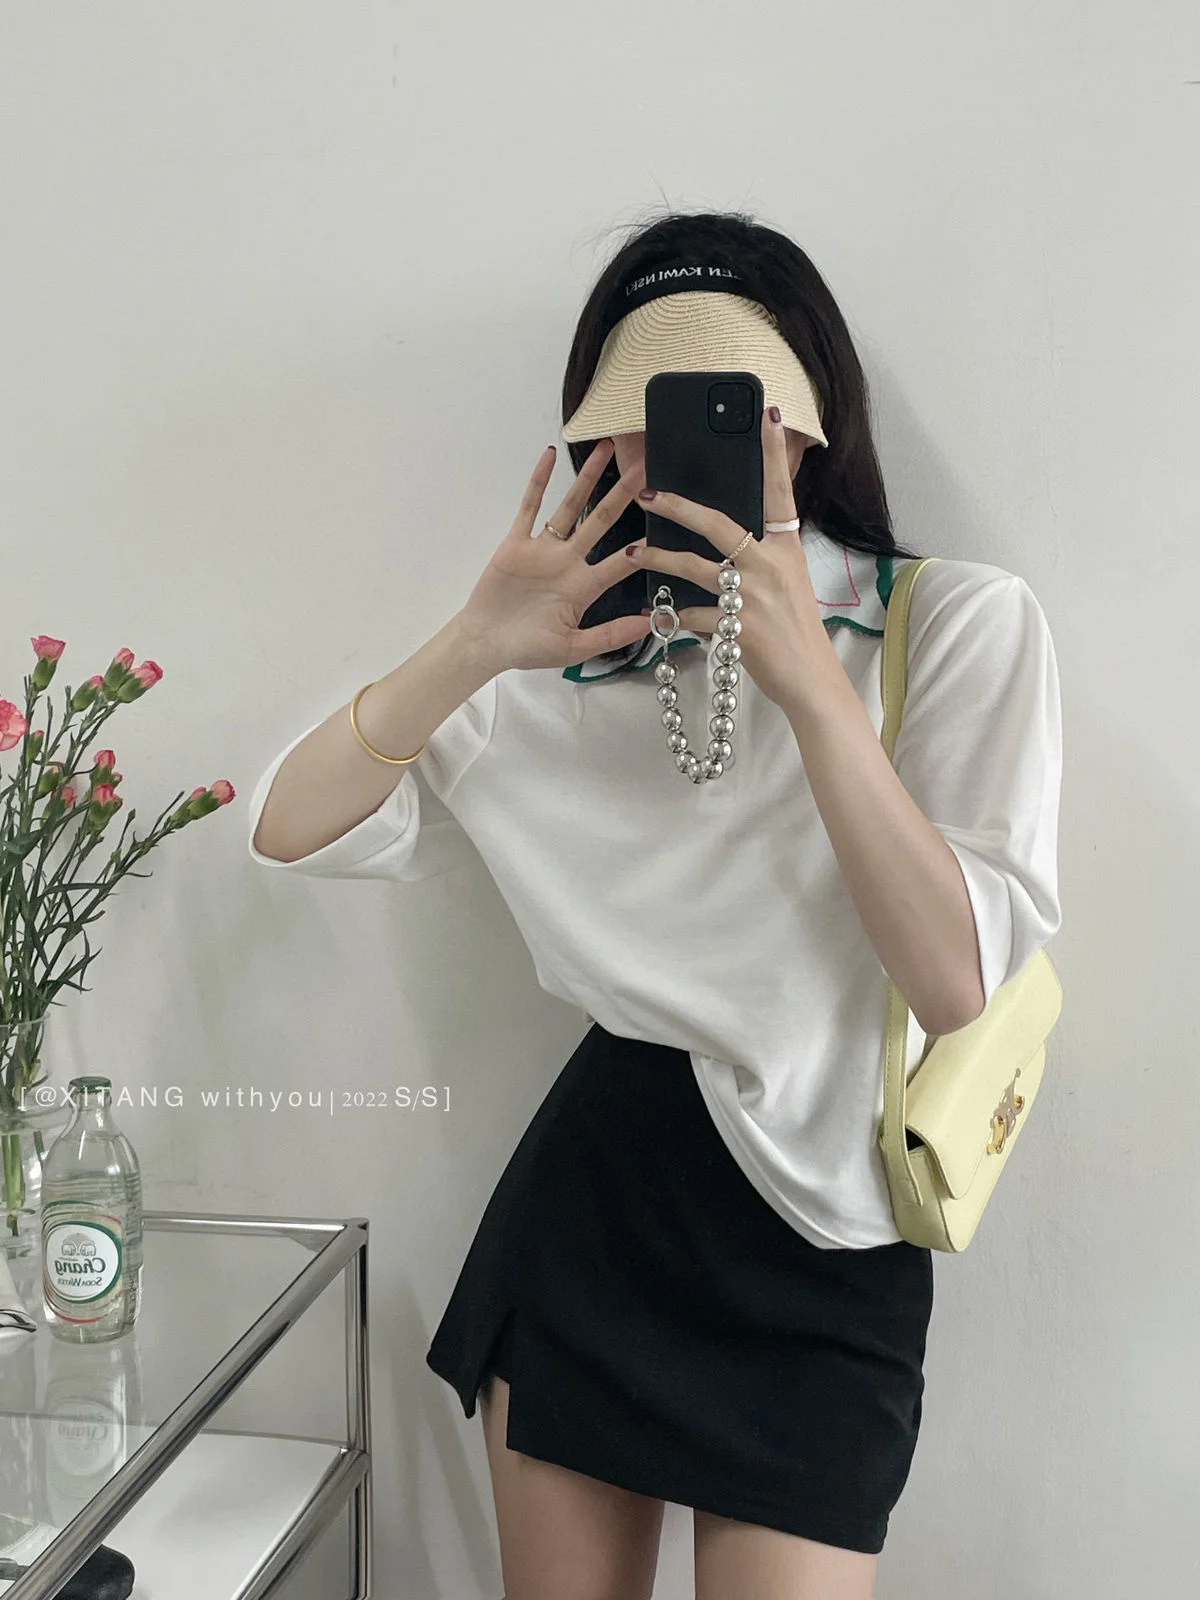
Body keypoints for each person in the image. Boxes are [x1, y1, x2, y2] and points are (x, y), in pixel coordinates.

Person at [247, 210, 1062, 1600]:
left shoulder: (956, 626)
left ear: (807, 425)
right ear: (594, 439)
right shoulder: (550, 665)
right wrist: (471, 646)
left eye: (736, 410)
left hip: (831, 1238)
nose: (679, 451)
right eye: (640, 414)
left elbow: (953, 981)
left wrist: (813, 689)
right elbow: (285, 827)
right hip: (597, 1214)